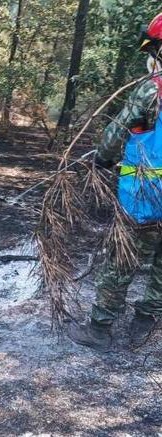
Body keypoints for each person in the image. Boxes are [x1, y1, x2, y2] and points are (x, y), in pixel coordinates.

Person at [69, 13, 162, 352]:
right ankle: (146, 320)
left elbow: (115, 135)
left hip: (144, 198)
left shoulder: (151, 92)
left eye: (153, 49)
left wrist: (102, 160)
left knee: (121, 260)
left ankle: (100, 328)